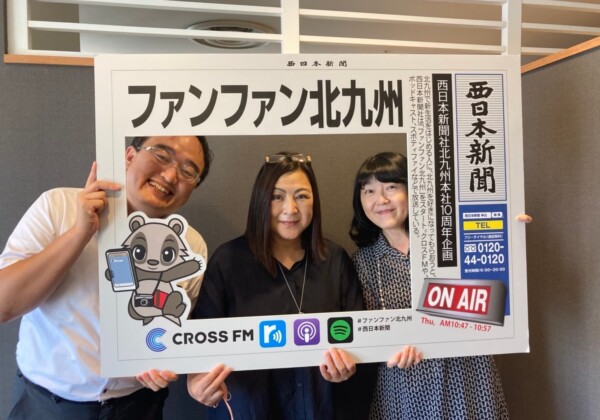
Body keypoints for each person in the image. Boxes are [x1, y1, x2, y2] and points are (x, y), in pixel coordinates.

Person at [0, 135, 212, 419]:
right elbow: (4, 304)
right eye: (162, 155)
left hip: (138, 405)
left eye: (188, 171)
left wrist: (162, 359)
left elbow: (169, 330)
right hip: (47, 403)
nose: (171, 175)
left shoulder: (191, 246)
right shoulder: (58, 205)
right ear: (129, 156)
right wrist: (80, 232)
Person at [187, 152, 383, 419]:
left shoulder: (335, 260)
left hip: (320, 410)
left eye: (302, 196)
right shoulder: (228, 261)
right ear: (260, 200)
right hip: (250, 410)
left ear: (314, 201)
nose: (290, 209)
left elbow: (359, 337)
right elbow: (199, 342)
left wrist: (350, 364)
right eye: (277, 197)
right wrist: (196, 382)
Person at [350, 152, 531, 420]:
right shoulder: (362, 261)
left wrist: (509, 235)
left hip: (467, 373)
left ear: (415, 189)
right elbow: (371, 333)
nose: (381, 200)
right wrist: (390, 347)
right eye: (369, 191)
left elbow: (497, 294)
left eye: (391, 187)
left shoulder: (454, 239)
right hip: (404, 384)